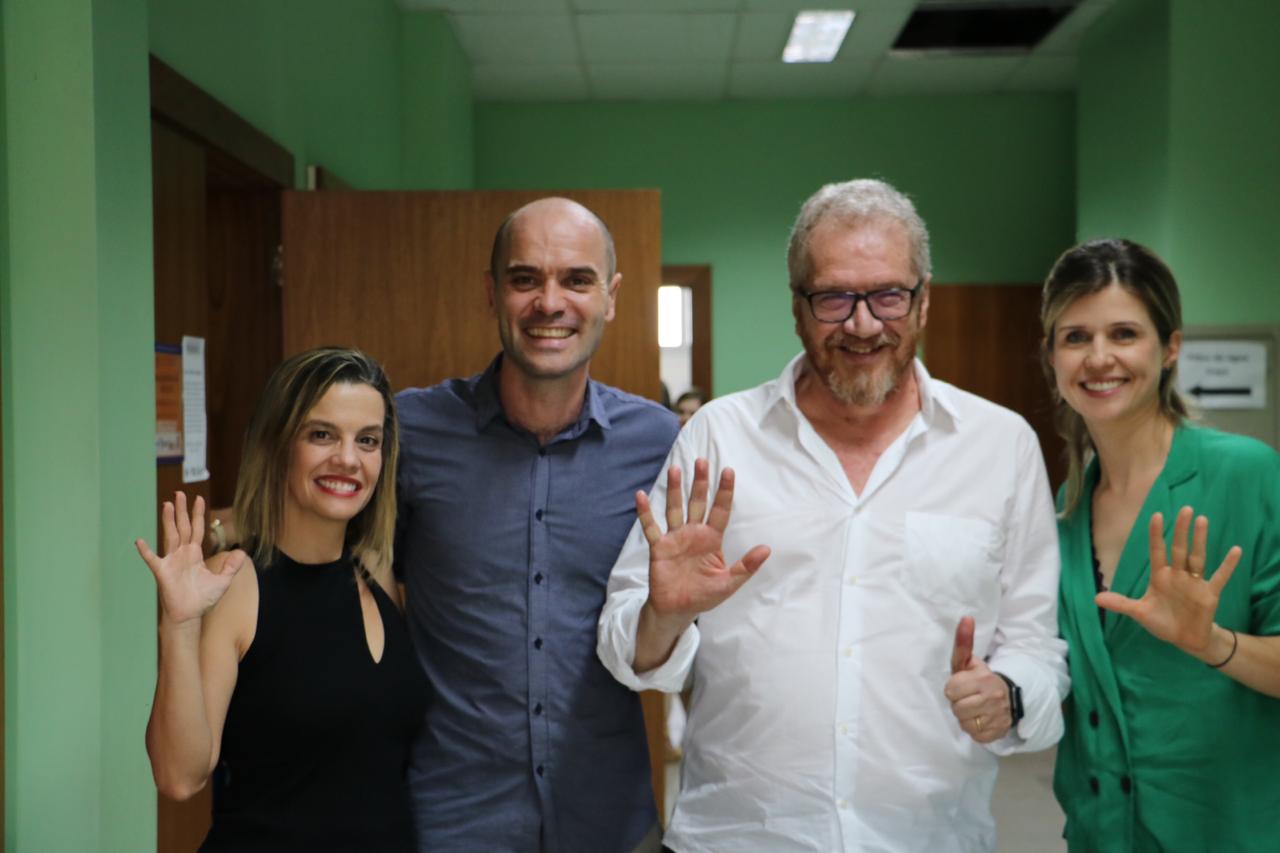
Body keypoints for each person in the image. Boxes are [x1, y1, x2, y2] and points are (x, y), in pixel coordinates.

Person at [598, 178, 1070, 852]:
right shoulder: (719, 438)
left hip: (931, 838)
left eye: (888, 295)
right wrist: (664, 618)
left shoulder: (999, 447)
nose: (863, 323)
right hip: (737, 839)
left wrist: (1011, 695)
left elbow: (1037, 646)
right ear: (797, 307)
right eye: (834, 297)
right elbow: (625, 642)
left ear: (924, 300)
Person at [394, 197, 680, 851]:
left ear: (610, 297)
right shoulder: (411, 431)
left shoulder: (659, 443)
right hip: (452, 820)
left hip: (609, 820)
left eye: (577, 279)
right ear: (492, 293)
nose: (550, 303)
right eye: (525, 278)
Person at [1040, 238, 1280, 851]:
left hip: (1226, 831)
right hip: (1102, 832)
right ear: (1052, 356)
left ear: (1170, 348)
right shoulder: (1068, 506)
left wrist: (1214, 643)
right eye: (1075, 337)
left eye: (1124, 334)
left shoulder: (1248, 475)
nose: (1099, 358)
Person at [139, 347, 427, 851]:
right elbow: (180, 776)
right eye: (322, 435)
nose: (348, 458)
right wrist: (179, 625)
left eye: (367, 440)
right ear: (278, 444)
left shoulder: (374, 569)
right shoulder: (237, 582)